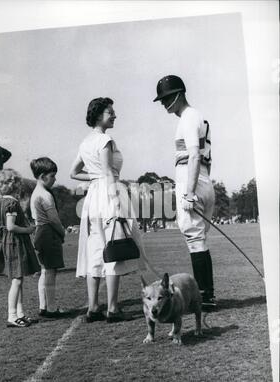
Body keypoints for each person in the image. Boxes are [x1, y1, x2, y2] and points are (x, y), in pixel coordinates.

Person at [70, 97, 148, 323]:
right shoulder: (105, 139)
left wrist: (94, 178)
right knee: (114, 245)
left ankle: (93, 308)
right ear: (98, 116)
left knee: (96, 249)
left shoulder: (85, 142)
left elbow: (74, 172)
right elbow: (106, 171)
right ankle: (112, 308)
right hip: (108, 194)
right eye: (110, 113)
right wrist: (115, 202)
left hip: (93, 196)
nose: (114, 115)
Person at [153, 75, 216, 309]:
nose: (163, 104)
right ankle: (206, 295)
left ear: (178, 94)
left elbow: (194, 155)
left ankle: (205, 297)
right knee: (198, 238)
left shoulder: (189, 118)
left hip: (192, 181)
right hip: (204, 179)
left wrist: (189, 192)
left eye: (165, 98)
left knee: (195, 239)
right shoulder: (196, 117)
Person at [0, 169, 40, 327]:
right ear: (15, 185)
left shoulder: (5, 201)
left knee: (18, 280)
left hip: (13, 242)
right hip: (14, 243)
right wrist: (28, 230)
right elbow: (11, 226)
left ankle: (20, 313)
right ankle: (12, 316)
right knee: (17, 280)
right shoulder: (12, 203)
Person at [30, 157, 69, 318]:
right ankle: (51, 308)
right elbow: (53, 219)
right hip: (48, 232)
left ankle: (43, 306)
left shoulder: (36, 192)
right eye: (52, 176)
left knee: (45, 271)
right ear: (42, 176)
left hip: (40, 232)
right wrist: (62, 232)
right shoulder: (45, 194)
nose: (54, 179)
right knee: (50, 272)